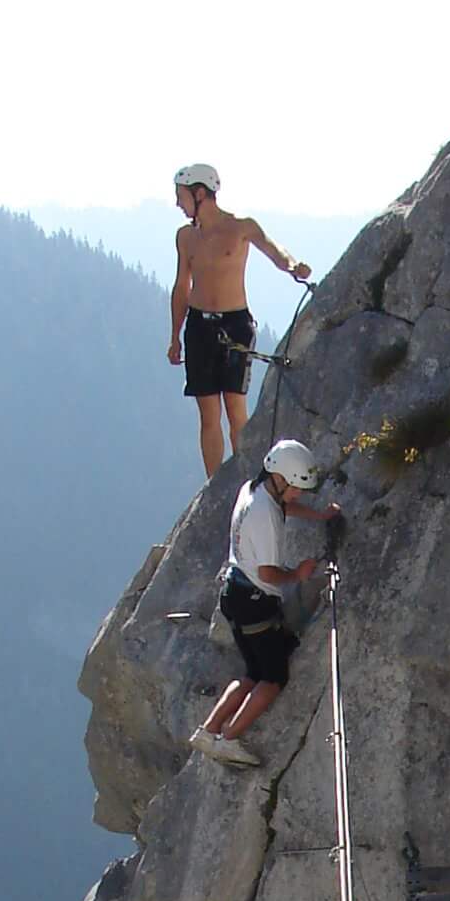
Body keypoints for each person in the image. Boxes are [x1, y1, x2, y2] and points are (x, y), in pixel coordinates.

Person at [193, 438, 341, 767]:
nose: (298, 494)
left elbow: (285, 505)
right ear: (281, 478)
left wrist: (318, 516)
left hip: (233, 595)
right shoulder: (266, 518)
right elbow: (269, 573)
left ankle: (208, 730)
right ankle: (228, 739)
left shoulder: (253, 490)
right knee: (273, 679)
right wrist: (299, 574)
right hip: (256, 600)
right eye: (296, 487)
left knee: (251, 673)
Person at [169, 163, 312, 480]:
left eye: (181, 196)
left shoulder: (241, 227)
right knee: (208, 413)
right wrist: (174, 336)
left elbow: (273, 248)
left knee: (235, 409)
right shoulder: (186, 238)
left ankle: (247, 478)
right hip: (199, 325)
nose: (178, 203)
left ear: (200, 193)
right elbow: (182, 286)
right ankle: (215, 484)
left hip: (235, 325)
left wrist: (292, 266)